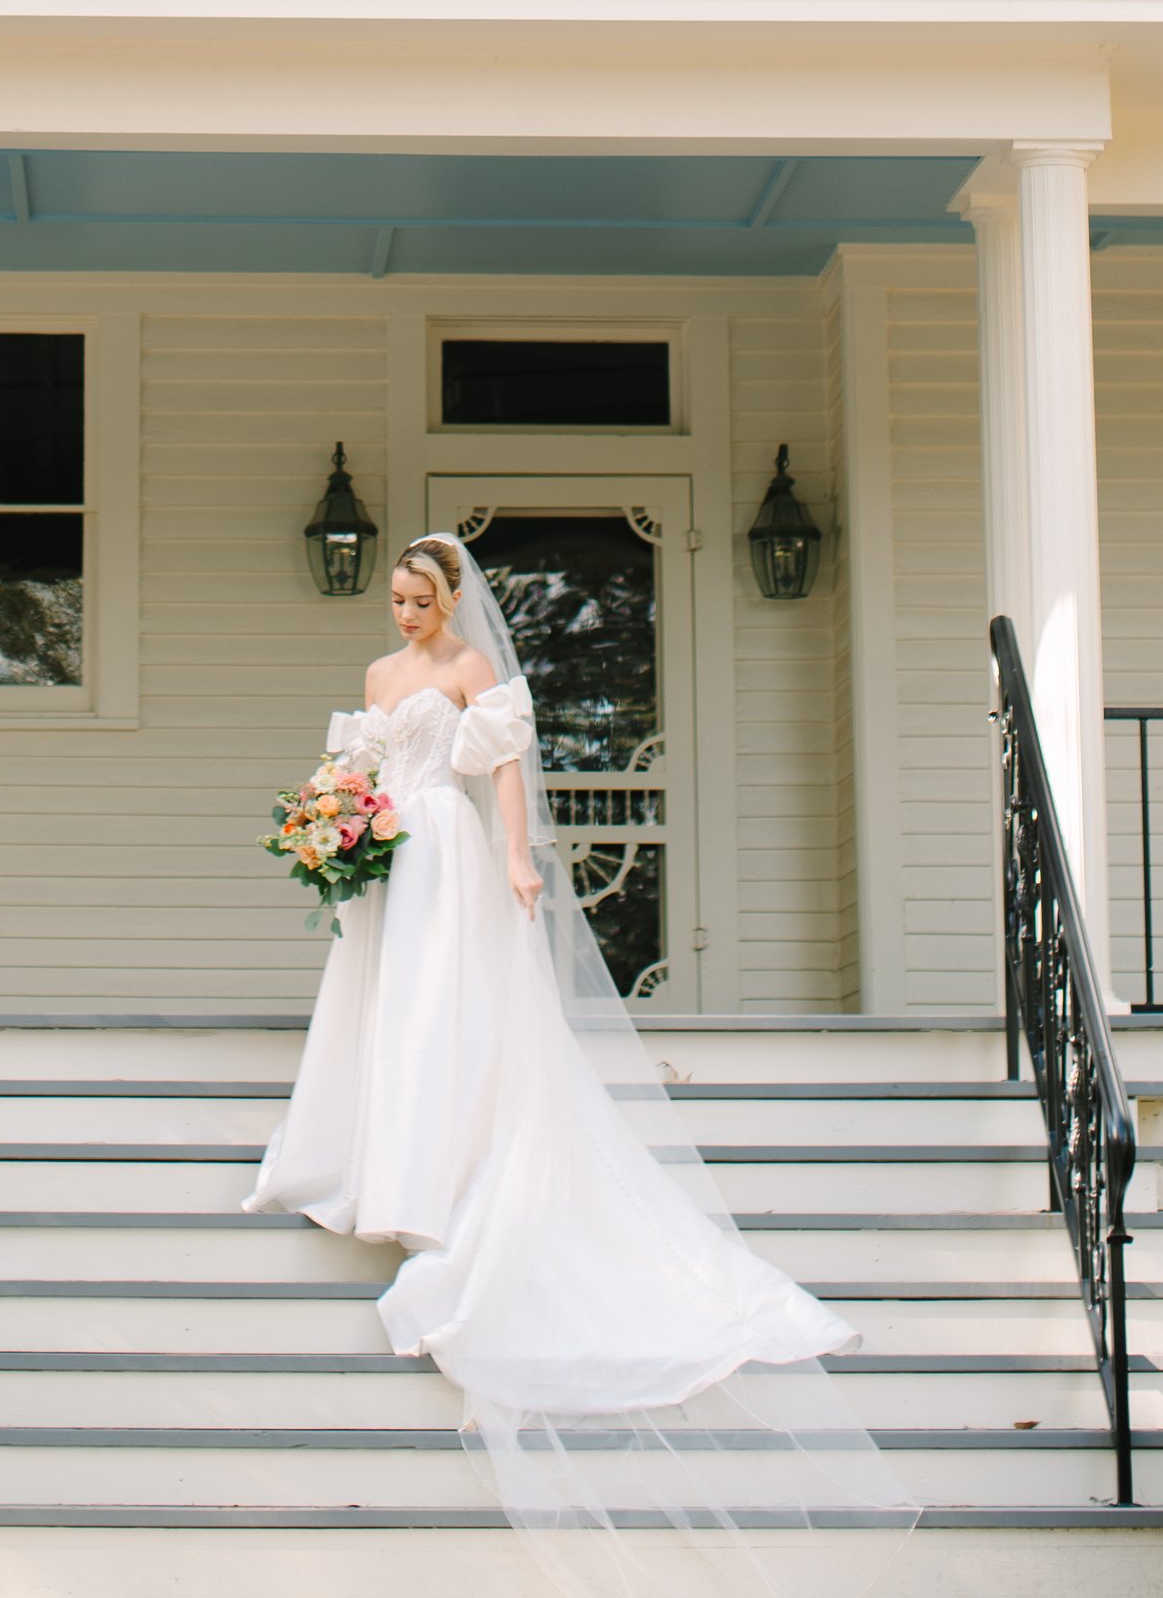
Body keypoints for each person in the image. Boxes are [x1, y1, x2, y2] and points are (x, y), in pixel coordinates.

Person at [250, 531, 911, 1591]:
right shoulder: (379, 675)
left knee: (437, 1014)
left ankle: (440, 1167)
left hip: (447, 855)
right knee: (387, 1010)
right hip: (384, 855)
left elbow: (504, 770)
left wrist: (516, 857)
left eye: (418, 599)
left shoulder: (472, 671)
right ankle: (374, 1156)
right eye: (395, 599)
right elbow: (355, 764)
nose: (404, 614)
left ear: (448, 597)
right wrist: (326, 819)